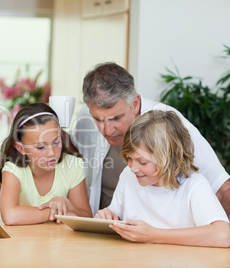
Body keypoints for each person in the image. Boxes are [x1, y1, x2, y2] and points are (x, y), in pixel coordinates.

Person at [70, 62, 230, 217]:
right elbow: (69, 160)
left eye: (116, 118)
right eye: (98, 119)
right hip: (109, 228)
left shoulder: (166, 124)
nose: (106, 130)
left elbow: (222, 188)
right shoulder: (86, 115)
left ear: (135, 103)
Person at [95, 110, 230, 247]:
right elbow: (114, 216)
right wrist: (107, 216)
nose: (133, 168)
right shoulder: (128, 176)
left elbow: (224, 235)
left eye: (142, 162)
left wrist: (155, 235)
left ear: (169, 159)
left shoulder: (194, 185)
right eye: (129, 158)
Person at [0, 103, 92, 225]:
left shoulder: (73, 165)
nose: (51, 153)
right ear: (21, 148)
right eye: (41, 147)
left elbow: (87, 216)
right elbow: (10, 216)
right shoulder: (13, 170)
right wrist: (55, 213)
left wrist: (68, 205)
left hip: (62, 243)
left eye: (56, 142)